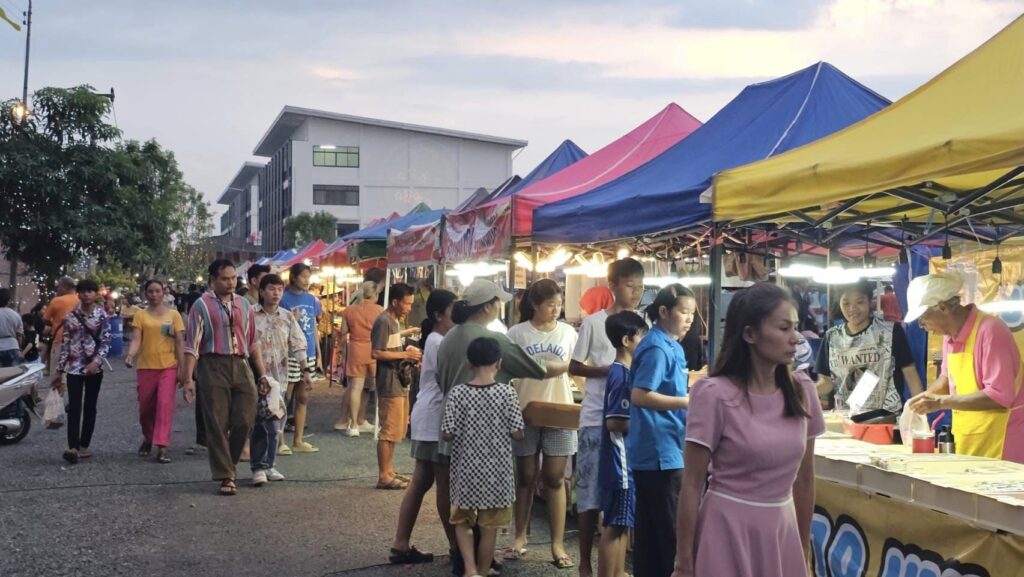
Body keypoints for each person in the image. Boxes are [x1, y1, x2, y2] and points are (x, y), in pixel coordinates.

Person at [672, 283, 825, 577]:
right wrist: (684, 562)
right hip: (725, 531)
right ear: (750, 334)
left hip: (782, 530)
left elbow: (805, 480)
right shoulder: (714, 394)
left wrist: (803, 551)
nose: (795, 338)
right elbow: (691, 484)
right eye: (784, 328)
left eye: (795, 327)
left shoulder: (802, 391)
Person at [435, 278, 556, 576]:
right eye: (497, 302)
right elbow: (536, 370)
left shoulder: (449, 337)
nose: (500, 306)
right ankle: (482, 565)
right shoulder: (493, 342)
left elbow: (440, 379)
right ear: (488, 307)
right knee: (489, 515)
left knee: (461, 505)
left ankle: (463, 562)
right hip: (493, 455)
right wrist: (571, 365)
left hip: (456, 442)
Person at [569, 257, 645, 577]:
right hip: (594, 418)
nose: (636, 292)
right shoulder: (593, 322)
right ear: (612, 285)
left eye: (640, 286)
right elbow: (574, 366)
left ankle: (615, 565)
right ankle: (585, 563)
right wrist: (611, 369)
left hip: (627, 421)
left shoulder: (642, 325)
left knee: (621, 493)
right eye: (630, 285)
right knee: (589, 495)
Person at [908, 272, 1024, 463]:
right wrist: (926, 397)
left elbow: (1000, 396)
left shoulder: (991, 330)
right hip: (970, 439)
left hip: (1002, 441)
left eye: (923, 319)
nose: (922, 326)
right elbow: (947, 379)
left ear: (943, 307)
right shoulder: (949, 337)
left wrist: (941, 402)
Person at [505, 278, 579, 569]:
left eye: (559, 304)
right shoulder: (517, 333)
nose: (556, 310)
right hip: (525, 411)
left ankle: (557, 543)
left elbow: (576, 368)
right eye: (551, 304)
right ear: (535, 305)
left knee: (555, 477)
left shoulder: (568, 333)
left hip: (560, 411)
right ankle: (519, 536)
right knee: (524, 476)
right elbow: (509, 370)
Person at [182, 259, 270, 496]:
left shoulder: (244, 304)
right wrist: (188, 379)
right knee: (217, 422)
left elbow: (252, 342)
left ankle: (228, 464)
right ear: (213, 280)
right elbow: (191, 346)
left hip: (241, 364)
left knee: (245, 417)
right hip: (212, 365)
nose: (231, 283)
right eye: (225, 279)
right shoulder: (201, 305)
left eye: (233, 278)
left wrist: (262, 374)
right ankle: (227, 475)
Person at [442, 337, 526, 577]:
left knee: (462, 521)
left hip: (466, 470)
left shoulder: (458, 393)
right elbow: (518, 433)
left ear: (469, 363)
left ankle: (469, 569)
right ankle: (481, 570)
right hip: (496, 473)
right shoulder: (507, 393)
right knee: (490, 527)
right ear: (499, 363)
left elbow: (447, 433)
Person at [629, 283, 695, 577]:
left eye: (692, 313)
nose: (689, 319)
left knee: (651, 534)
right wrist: (687, 401)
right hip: (660, 452)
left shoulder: (670, 345)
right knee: (668, 533)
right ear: (664, 311)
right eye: (684, 312)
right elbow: (640, 394)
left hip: (664, 449)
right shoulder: (657, 347)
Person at [390, 288, 458, 565]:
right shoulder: (439, 342)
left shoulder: (435, 339)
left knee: (422, 480)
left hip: (427, 415)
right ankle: (457, 548)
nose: (458, 314)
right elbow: (448, 380)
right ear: (439, 314)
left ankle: (401, 543)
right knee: (442, 484)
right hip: (434, 418)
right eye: (454, 309)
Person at [816, 280, 923, 412]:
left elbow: (910, 372)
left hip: (887, 415)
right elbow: (827, 381)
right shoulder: (832, 337)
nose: (852, 309)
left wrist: (921, 412)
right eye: (846, 303)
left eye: (860, 302)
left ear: (869, 301)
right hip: (846, 416)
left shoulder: (891, 331)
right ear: (839, 304)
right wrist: (804, 392)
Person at [597, 311, 647, 577]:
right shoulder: (622, 375)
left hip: (622, 461)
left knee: (621, 523)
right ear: (627, 341)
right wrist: (644, 421)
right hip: (621, 461)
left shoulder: (623, 372)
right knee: (615, 526)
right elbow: (615, 422)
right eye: (642, 338)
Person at [251, 274, 308, 486]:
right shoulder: (250, 315)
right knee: (260, 422)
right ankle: (259, 467)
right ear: (262, 291)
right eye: (271, 289)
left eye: (279, 289)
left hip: (280, 378)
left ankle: (269, 464)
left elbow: (298, 343)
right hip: (256, 378)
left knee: (275, 423)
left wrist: (306, 370)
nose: (276, 293)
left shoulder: (287, 316)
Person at [124, 279, 186, 464]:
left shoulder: (174, 315)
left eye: (158, 291)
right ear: (146, 294)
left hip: (168, 366)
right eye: (150, 291)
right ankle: (149, 437)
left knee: (164, 405)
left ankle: (162, 445)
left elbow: (180, 343)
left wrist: (183, 369)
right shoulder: (140, 315)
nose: (154, 295)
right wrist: (130, 355)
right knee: (145, 409)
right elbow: (136, 339)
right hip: (145, 367)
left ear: (164, 292)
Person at [51, 279, 112, 464]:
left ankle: (84, 444)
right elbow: (66, 343)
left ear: (95, 294)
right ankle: (73, 447)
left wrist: (96, 362)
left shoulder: (102, 316)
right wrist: (59, 370)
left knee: (90, 406)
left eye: (90, 291)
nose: (86, 295)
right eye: (83, 291)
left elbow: (106, 342)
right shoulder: (71, 316)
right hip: (74, 367)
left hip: (95, 368)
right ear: (78, 294)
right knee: (74, 406)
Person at [372, 283, 422, 489]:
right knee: (389, 429)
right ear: (395, 302)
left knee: (396, 430)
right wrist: (405, 354)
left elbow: (390, 347)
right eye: (406, 304)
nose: (409, 308)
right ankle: (384, 475)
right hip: (388, 381)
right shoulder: (384, 321)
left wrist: (406, 353)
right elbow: (376, 352)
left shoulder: (393, 321)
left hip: (399, 380)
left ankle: (389, 471)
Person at [279, 263, 322, 453]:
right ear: (294, 277)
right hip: (290, 353)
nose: (307, 280)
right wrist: (292, 320)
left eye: (308, 276)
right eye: (303, 276)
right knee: (286, 397)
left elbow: (314, 327)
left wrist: (319, 354)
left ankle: (298, 440)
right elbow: (278, 326)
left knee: (303, 397)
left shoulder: (312, 299)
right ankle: (280, 441)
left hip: (309, 351)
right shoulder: (283, 299)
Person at [337, 281, 384, 436]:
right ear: (375, 294)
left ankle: (354, 425)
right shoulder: (380, 310)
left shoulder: (349, 310)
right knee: (372, 387)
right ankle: (371, 420)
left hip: (356, 350)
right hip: (374, 350)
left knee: (355, 388)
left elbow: (343, 332)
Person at [43, 276, 79, 376]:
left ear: (64, 287)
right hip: (77, 340)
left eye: (58, 286)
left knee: (57, 374)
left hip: (60, 339)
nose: (57, 289)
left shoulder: (57, 300)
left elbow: (45, 319)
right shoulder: (81, 300)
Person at [0, 288, 24, 367]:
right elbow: (19, 335)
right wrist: (19, 348)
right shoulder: (15, 315)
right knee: (13, 372)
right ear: (8, 300)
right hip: (12, 346)